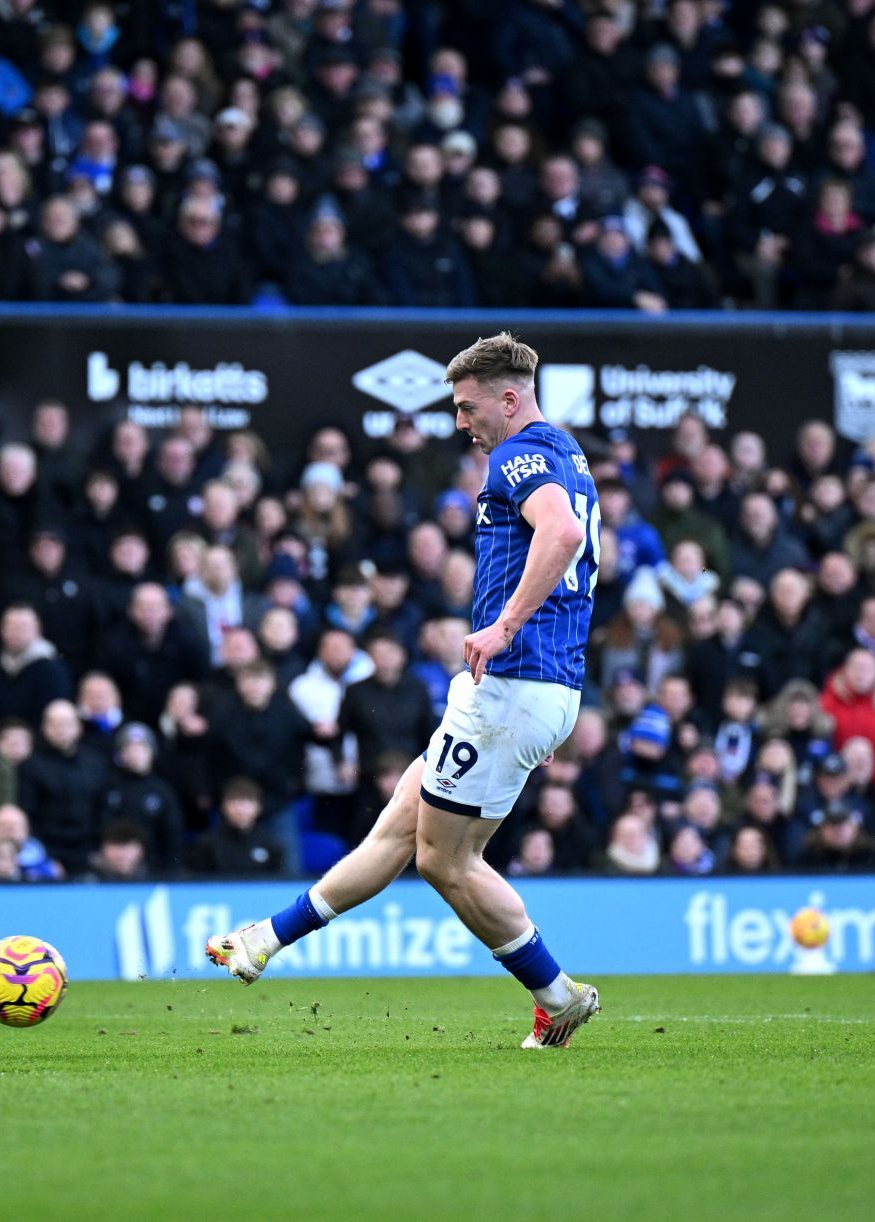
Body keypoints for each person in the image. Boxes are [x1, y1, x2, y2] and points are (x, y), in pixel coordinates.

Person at [206, 333, 603, 1049]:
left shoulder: (520, 454)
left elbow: (563, 534)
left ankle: (558, 995)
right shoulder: (567, 452)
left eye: (467, 406)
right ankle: (262, 940)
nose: (461, 423)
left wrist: (504, 626)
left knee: (445, 860)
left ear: (508, 399)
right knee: (399, 828)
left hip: (515, 682)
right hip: (534, 686)